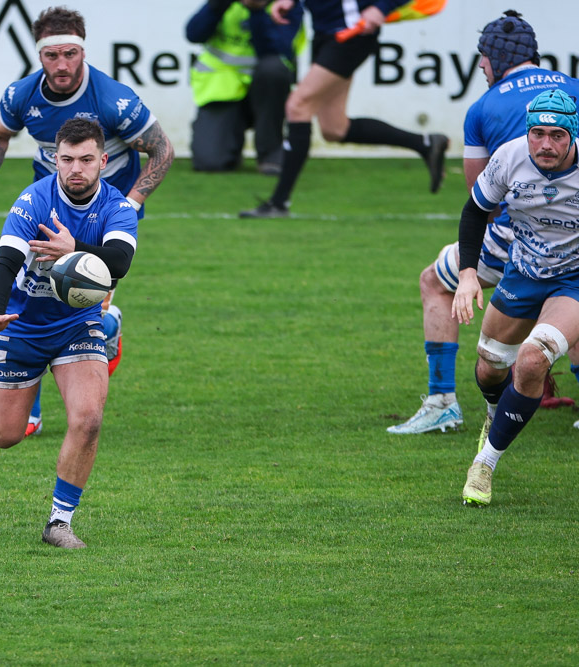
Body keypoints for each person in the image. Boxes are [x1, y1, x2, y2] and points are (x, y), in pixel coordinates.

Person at [0, 6, 174, 437]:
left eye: (71, 54)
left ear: (83, 51)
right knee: (35, 296)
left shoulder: (113, 99)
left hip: (107, 215)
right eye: (52, 56)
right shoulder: (23, 95)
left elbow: (163, 151)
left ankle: (106, 322)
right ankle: (31, 405)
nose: (62, 65)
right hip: (48, 211)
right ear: (39, 56)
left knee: (86, 295)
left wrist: (131, 204)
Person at [388, 10, 579, 435]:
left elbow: (482, 198)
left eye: (482, 58)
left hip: (517, 237)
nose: (479, 66)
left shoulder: (484, 107)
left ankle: (441, 401)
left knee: (434, 281)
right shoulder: (573, 90)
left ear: (494, 57)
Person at [0, 118, 138, 548]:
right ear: (55, 159)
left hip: (78, 324)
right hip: (21, 327)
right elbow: (4, 262)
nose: (77, 168)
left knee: (88, 418)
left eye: (87, 160)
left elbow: (119, 262)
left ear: (103, 161)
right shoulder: (33, 202)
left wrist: (74, 250)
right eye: (68, 159)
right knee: (4, 436)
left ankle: (59, 522)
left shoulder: (118, 207)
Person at [455, 88, 579, 506]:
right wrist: (469, 274)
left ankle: (485, 464)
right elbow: (474, 212)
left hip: (574, 281)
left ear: (572, 135)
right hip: (523, 272)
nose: (546, 144)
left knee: (532, 360)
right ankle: (495, 412)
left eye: (558, 135)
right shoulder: (509, 157)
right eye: (538, 133)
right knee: (490, 368)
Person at [238, 0, 448, 219]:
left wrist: (381, 7)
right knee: (334, 128)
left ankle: (278, 203)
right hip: (327, 34)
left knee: (298, 106)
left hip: (351, 33)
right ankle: (425, 143)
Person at [185, 0, 303, 174]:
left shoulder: (287, 5)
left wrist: (256, 11)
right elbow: (193, 34)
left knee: (273, 68)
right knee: (210, 163)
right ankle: (227, 143)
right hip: (224, 90)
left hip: (265, 94)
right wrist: (218, 5)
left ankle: (270, 153)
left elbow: (277, 50)